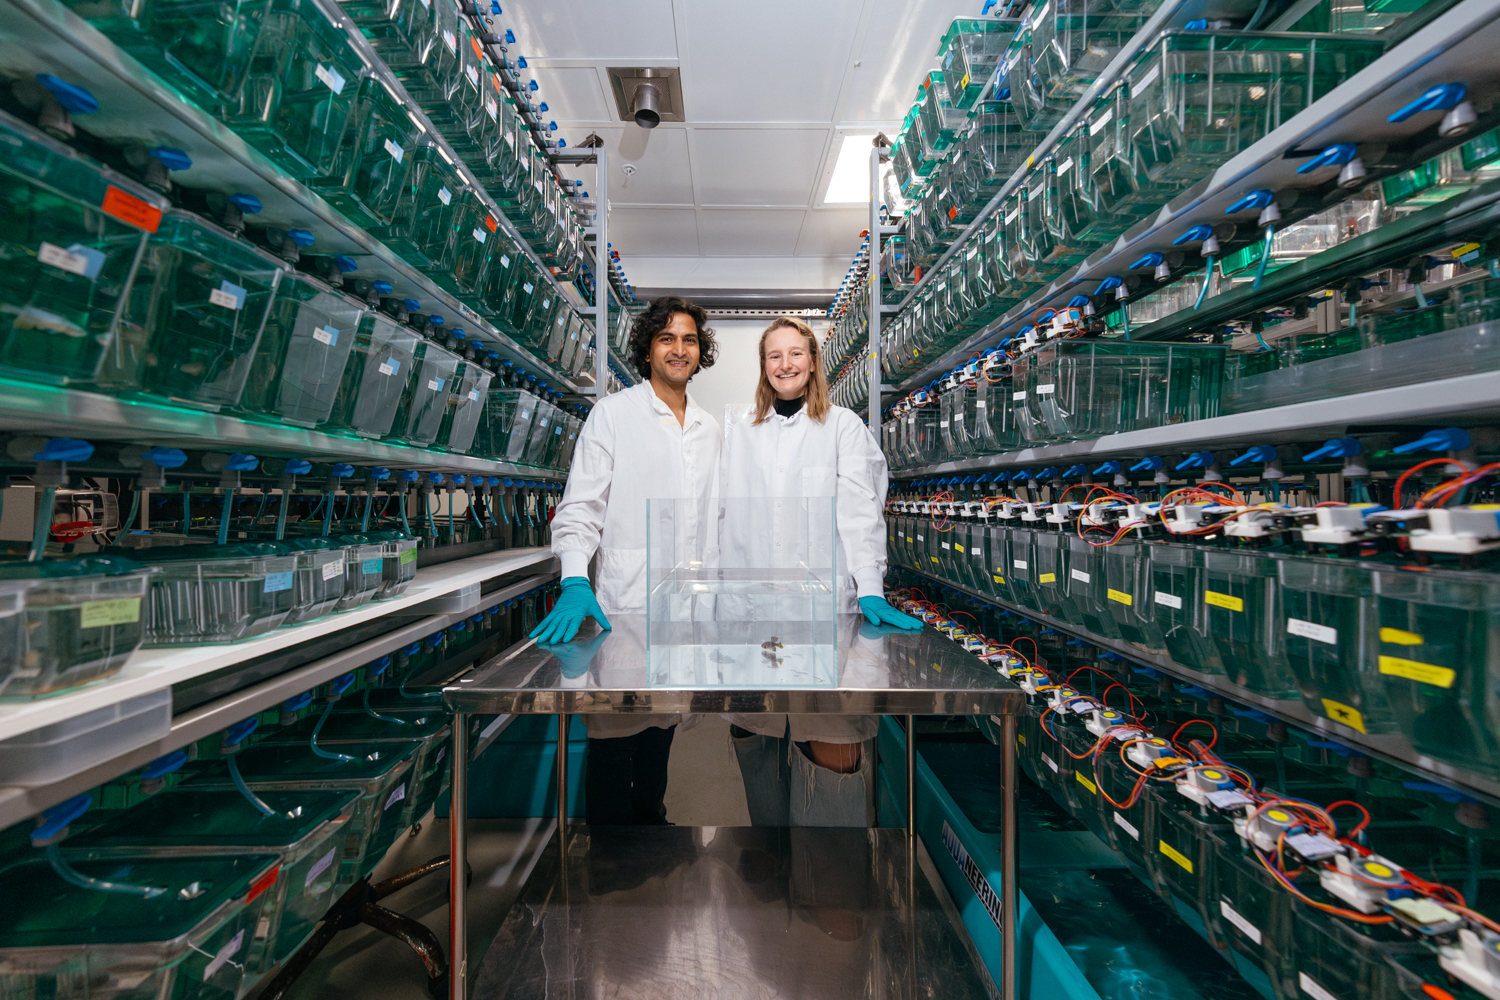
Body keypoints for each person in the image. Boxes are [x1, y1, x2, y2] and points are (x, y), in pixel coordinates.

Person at [720, 316, 922, 827]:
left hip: (823, 612)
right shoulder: (741, 432)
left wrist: (870, 589)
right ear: (763, 368)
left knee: (830, 732)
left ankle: (829, 878)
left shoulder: (843, 428)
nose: (785, 364)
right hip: (753, 612)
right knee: (755, 727)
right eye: (774, 356)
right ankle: (770, 856)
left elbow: (860, 513)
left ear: (813, 361)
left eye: (795, 353)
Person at [530, 296, 720, 825]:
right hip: (626, 602)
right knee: (615, 730)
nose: (679, 350)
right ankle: (608, 859)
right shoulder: (613, 415)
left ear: (701, 351)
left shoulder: (710, 429)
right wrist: (573, 578)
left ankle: (651, 830)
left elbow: (716, 519)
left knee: (662, 726)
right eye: (667, 339)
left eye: (688, 339)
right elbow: (579, 509)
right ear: (647, 349)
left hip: (686, 608)